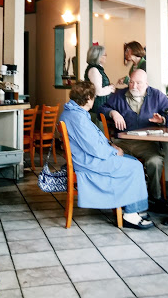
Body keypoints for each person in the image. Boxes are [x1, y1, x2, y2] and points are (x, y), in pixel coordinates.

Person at [59, 81, 154, 229]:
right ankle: (130, 215)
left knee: (133, 161)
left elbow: (92, 142)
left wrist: (111, 145)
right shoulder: (78, 117)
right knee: (135, 166)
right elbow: (94, 148)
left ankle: (133, 207)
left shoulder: (72, 112)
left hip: (86, 158)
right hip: (89, 162)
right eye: (94, 97)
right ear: (88, 98)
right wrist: (114, 151)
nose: (94, 100)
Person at [98, 68, 168, 213]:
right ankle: (120, 198)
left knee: (155, 162)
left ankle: (156, 198)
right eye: (131, 82)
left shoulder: (157, 96)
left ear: (146, 83)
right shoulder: (118, 95)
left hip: (147, 143)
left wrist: (162, 120)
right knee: (112, 159)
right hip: (122, 143)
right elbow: (101, 108)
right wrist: (113, 112)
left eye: (138, 83)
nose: (134, 86)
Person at [84, 45, 116, 125]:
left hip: (101, 107)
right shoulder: (94, 70)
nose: (106, 57)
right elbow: (98, 91)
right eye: (104, 55)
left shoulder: (98, 69)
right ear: (97, 56)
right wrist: (110, 88)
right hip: (97, 109)